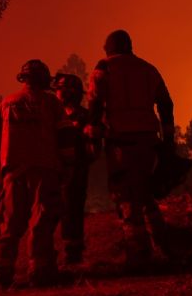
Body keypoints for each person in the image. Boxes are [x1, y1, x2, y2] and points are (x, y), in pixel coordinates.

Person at [86, 30, 175, 272]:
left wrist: (92, 134)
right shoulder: (148, 69)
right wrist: (168, 139)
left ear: (109, 48)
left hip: (119, 141)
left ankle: (138, 254)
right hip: (147, 140)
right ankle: (165, 246)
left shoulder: (103, 68)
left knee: (125, 195)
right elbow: (166, 104)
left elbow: (94, 102)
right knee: (145, 191)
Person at [0, 59, 63, 289]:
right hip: (44, 169)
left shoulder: (7, 103)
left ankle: (2, 269)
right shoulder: (51, 102)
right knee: (41, 220)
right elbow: (66, 135)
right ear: (43, 79)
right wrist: (67, 165)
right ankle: (40, 271)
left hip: (13, 171)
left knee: (10, 220)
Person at [52, 73, 97, 264]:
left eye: (60, 91)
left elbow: (93, 148)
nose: (57, 94)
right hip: (54, 170)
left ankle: (73, 252)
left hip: (74, 172)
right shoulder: (53, 115)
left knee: (72, 208)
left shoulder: (84, 117)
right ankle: (47, 252)